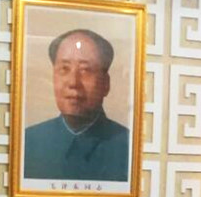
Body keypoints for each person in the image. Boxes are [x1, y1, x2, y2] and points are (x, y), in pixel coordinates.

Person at [22, 29, 131, 182]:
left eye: (85, 70)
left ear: (106, 83)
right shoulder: (28, 142)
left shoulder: (128, 146)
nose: (73, 82)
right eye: (64, 69)